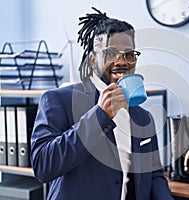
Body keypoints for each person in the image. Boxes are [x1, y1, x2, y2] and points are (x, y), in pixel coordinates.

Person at [30, 7, 174, 200]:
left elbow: (155, 174)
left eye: (129, 54)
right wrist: (100, 115)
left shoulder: (143, 117)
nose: (121, 61)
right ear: (92, 60)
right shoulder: (59, 100)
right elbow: (43, 166)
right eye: (111, 53)